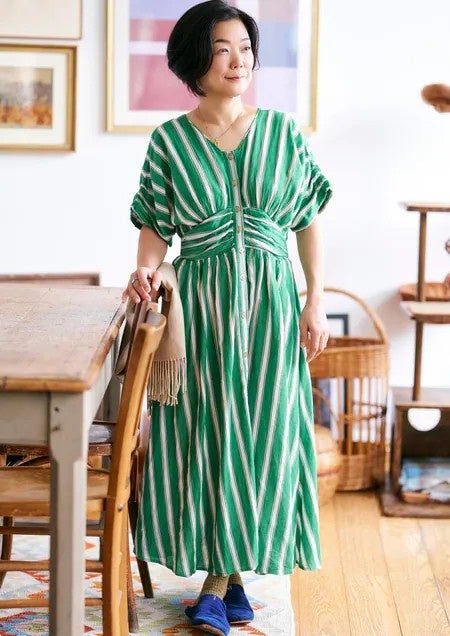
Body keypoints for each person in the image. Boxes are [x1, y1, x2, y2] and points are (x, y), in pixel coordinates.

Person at [123, 2, 332, 634]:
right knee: (207, 436)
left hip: (271, 307)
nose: (238, 60)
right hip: (201, 312)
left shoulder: (283, 133)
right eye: (222, 48)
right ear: (196, 60)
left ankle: (217, 586)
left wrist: (315, 298)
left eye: (245, 47)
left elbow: (307, 220)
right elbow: (154, 226)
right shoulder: (169, 142)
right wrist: (148, 271)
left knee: (267, 434)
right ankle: (227, 584)